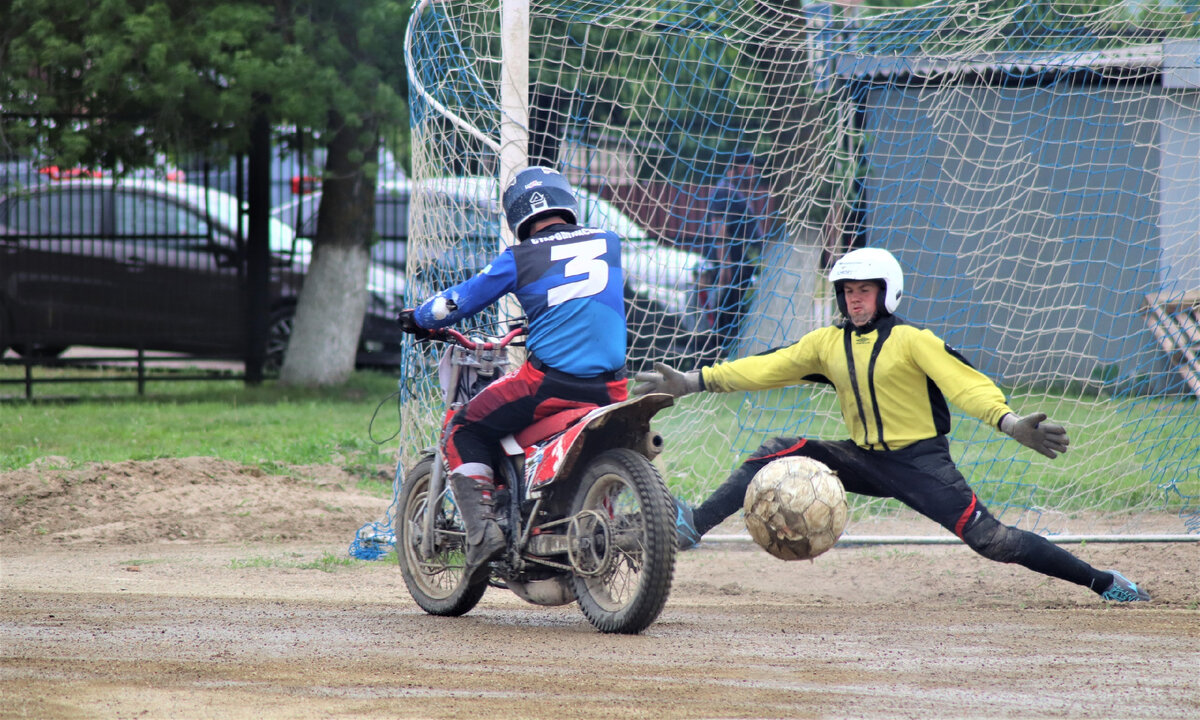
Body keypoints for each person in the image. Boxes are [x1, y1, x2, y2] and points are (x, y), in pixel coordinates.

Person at [634, 247, 1151, 603]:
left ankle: (1105, 582)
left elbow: (966, 384)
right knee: (778, 447)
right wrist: (693, 381)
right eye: (847, 291)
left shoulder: (913, 340)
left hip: (921, 464)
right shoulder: (826, 343)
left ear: (888, 293)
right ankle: (691, 525)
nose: (854, 300)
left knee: (993, 542)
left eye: (865, 291)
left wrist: (1010, 422)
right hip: (862, 458)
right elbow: (766, 366)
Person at [398, 166, 629, 585]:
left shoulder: (519, 259)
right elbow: (579, 296)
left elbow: (457, 303)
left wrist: (418, 317)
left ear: (517, 215)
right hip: (611, 388)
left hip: (550, 385)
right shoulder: (608, 242)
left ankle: (484, 533)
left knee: (462, 428)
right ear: (567, 202)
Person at [704, 155, 762, 358]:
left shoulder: (738, 191)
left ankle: (727, 351)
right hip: (730, 267)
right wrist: (725, 267)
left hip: (741, 264)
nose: (753, 171)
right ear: (737, 167)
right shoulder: (724, 191)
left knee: (734, 311)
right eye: (749, 166)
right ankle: (716, 354)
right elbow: (719, 230)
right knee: (726, 312)